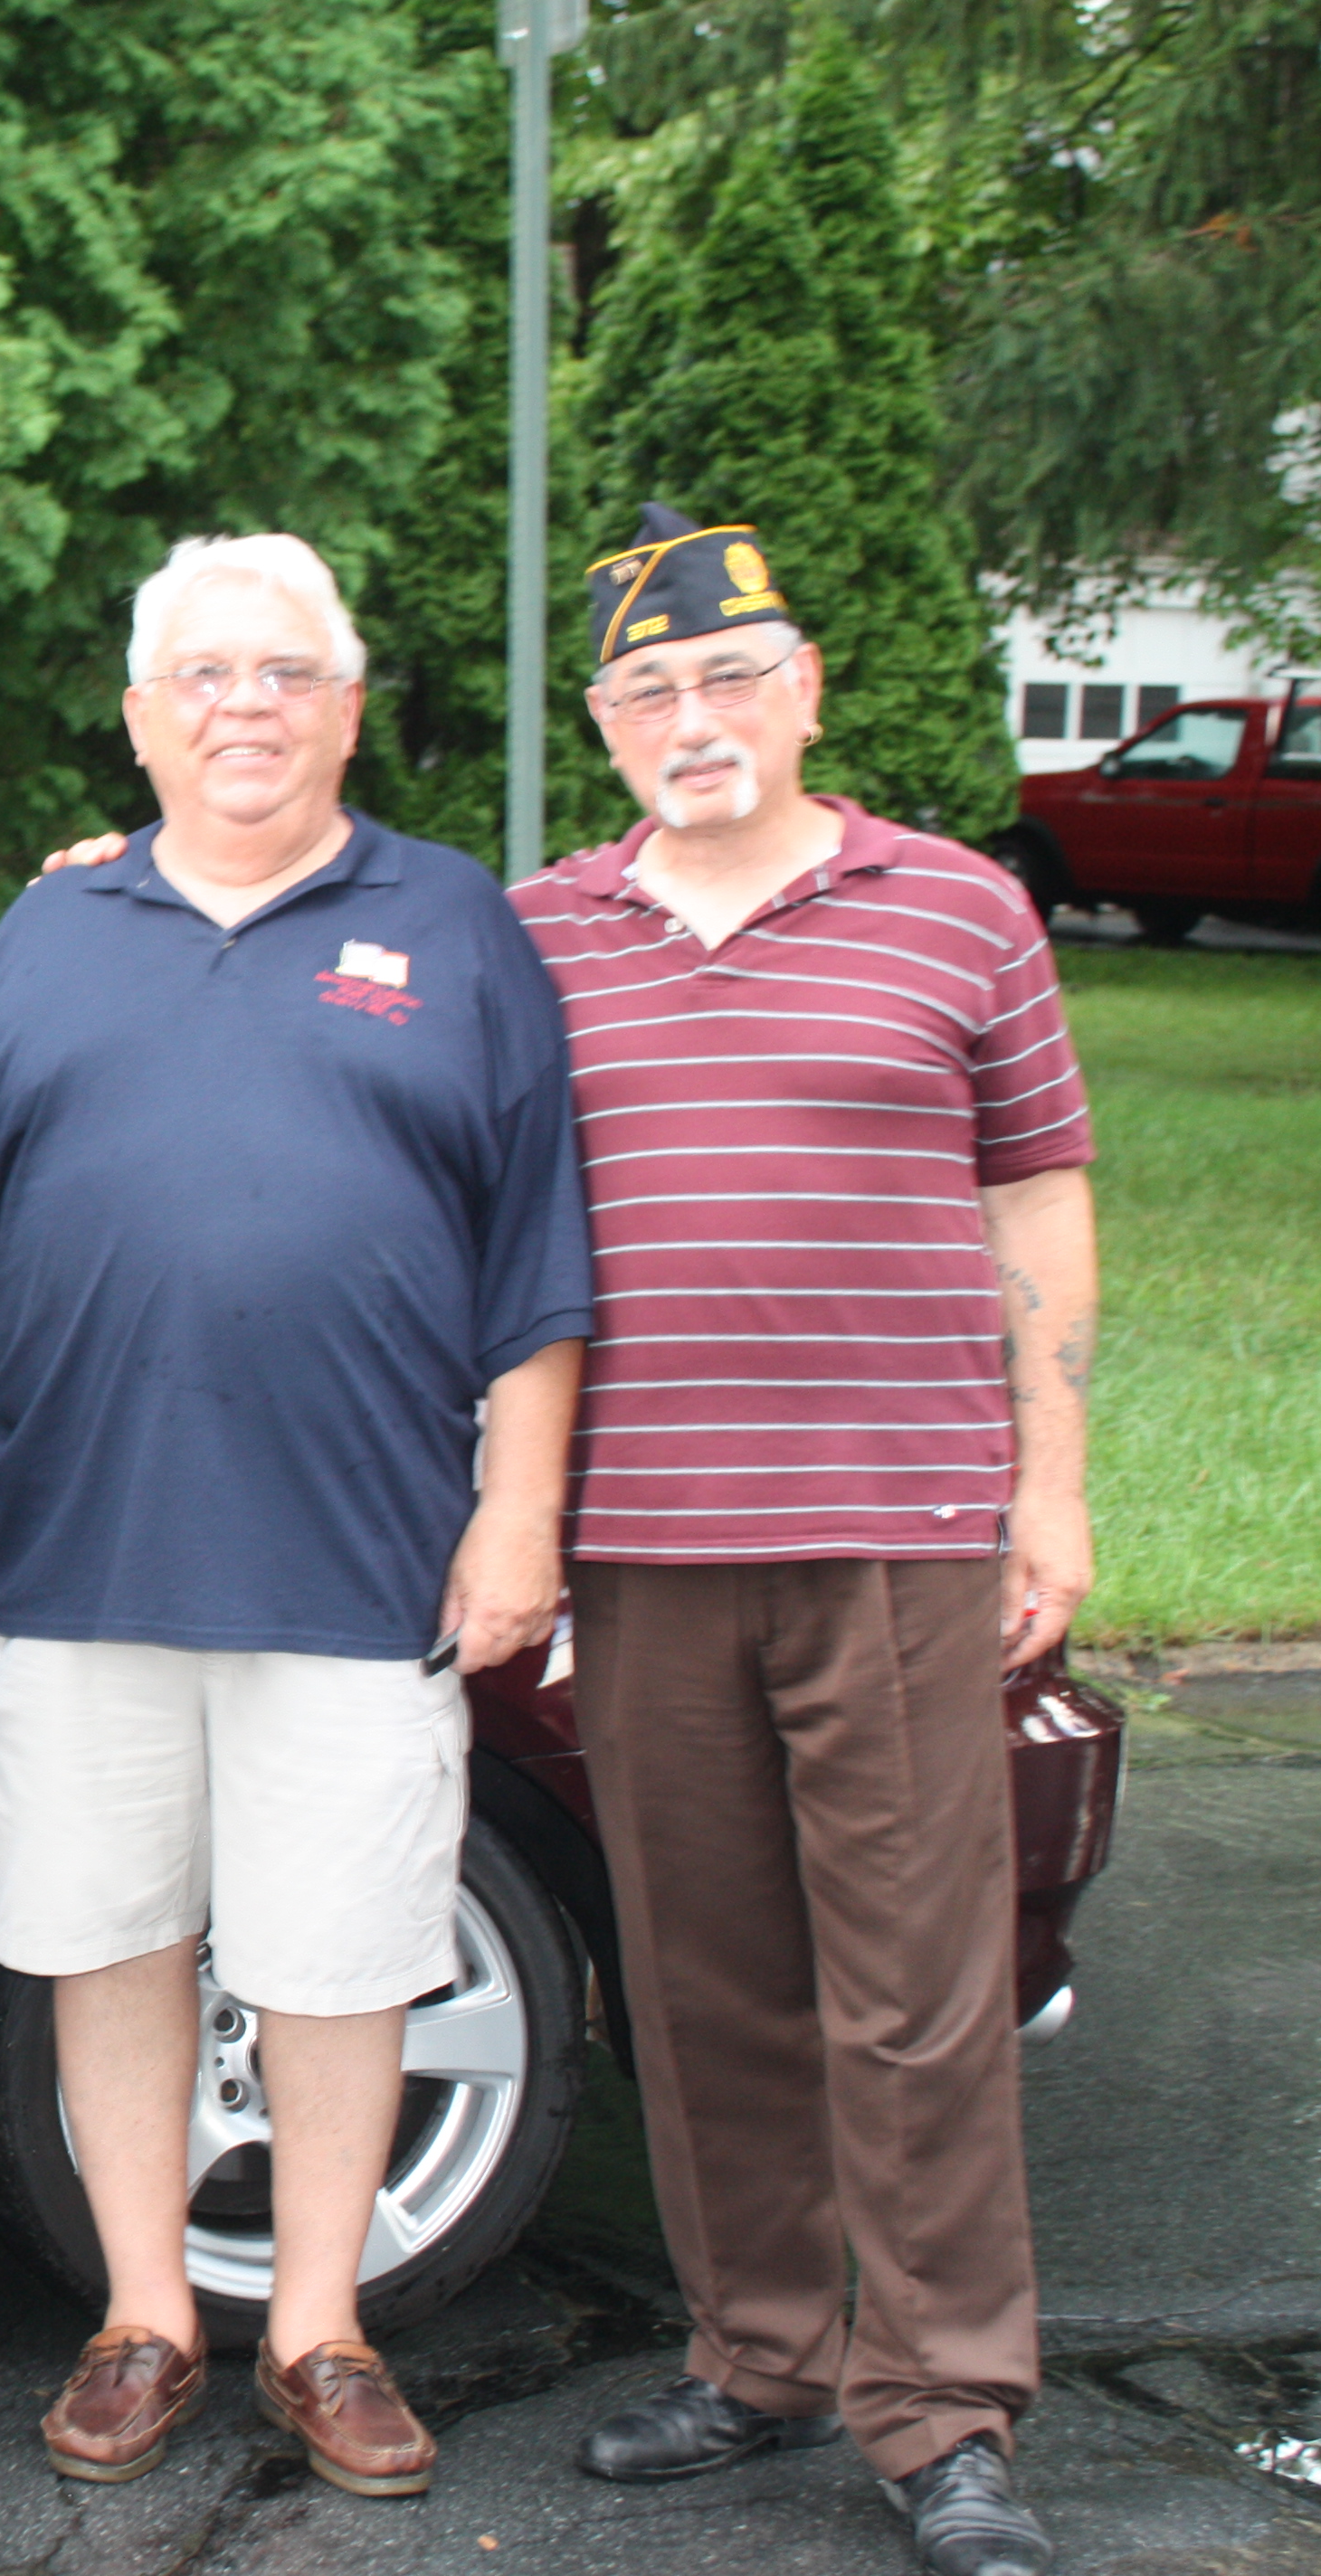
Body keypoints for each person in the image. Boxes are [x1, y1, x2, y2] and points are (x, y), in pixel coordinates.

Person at [0, 534, 592, 2500]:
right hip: (79, 1550)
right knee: (107, 1936)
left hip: (362, 1552)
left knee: (344, 1948)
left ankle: (318, 2324)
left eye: (286, 673)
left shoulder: (456, 924)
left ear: (348, 706)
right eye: (203, 674)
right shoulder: (50, 935)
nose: (245, 707)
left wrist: (517, 1514)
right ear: (141, 716)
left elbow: (539, 1255)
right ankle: (143, 2313)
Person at [512, 507, 1092, 2576]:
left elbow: (1036, 1195)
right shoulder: (544, 928)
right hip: (649, 1539)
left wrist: (1059, 1474)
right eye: (652, 688)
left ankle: (941, 2408)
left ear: (807, 684)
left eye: (732, 674)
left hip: (904, 1523)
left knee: (917, 1988)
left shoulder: (955, 911)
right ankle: (756, 2348)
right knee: (705, 1977)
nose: (697, 715)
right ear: (604, 722)